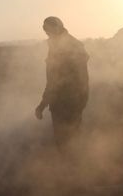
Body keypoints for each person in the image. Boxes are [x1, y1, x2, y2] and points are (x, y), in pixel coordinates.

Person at [35, 16, 89, 147]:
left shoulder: (70, 47)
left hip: (70, 102)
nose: (47, 33)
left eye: (48, 30)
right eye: (45, 30)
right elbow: (54, 80)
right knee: (66, 140)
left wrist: (43, 104)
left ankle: (73, 165)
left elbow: (56, 80)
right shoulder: (57, 45)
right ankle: (70, 164)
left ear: (57, 27)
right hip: (62, 102)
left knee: (68, 140)